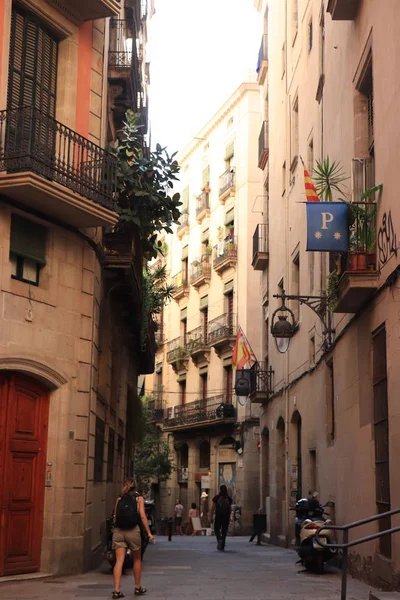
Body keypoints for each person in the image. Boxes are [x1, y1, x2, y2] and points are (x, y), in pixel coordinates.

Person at [112, 477, 155, 598]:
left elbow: (115, 517)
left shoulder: (119, 498)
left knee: (119, 561)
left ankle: (116, 590)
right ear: (135, 486)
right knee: (137, 559)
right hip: (133, 531)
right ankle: (137, 587)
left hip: (119, 531)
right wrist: (149, 533)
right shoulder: (139, 498)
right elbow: (142, 516)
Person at [212, 484, 232, 551]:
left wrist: (211, 515)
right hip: (226, 517)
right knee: (224, 531)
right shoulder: (228, 498)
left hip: (218, 516)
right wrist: (230, 516)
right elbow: (230, 508)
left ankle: (219, 539)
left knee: (216, 529)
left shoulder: (217, 497)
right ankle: (222, 545)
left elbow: (213, 507)